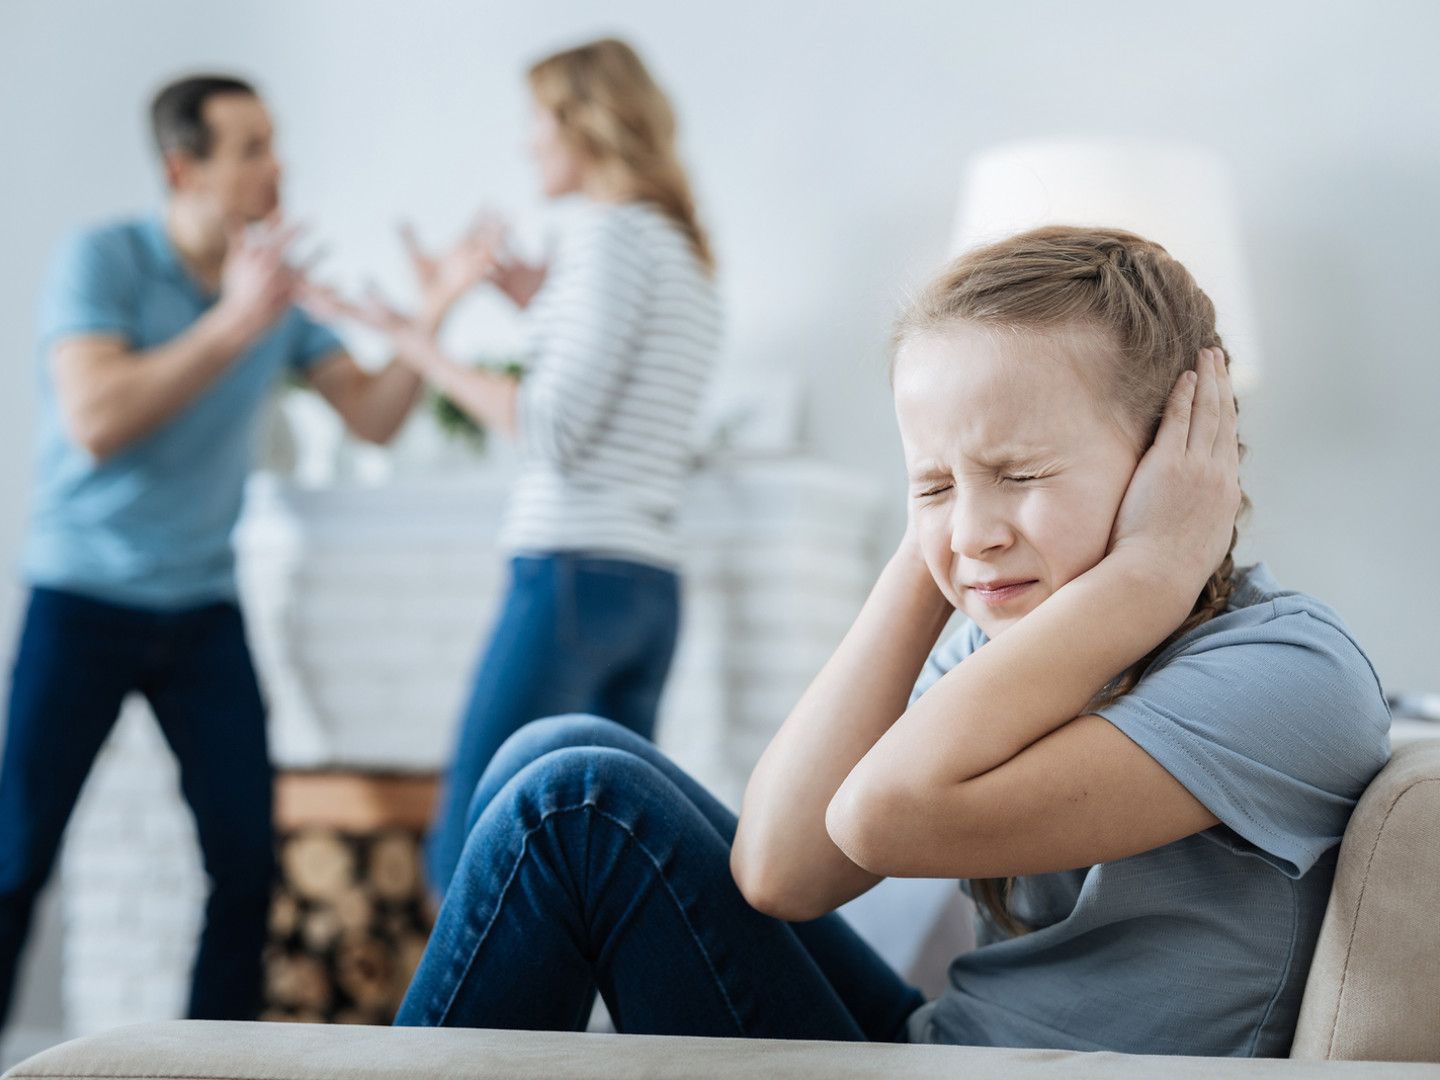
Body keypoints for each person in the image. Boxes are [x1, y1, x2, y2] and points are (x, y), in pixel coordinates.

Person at [390, 226, 1391, 1056]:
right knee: (555, 752)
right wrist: (933, 551)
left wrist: (1149, 575)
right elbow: (782, 870)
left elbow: (878, 817)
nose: (974, 530)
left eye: (1021, 473)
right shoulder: (1003, 651)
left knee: (576, 806)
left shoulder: (1288, 677)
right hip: (933, 1050)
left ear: (1177, 457)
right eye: (934, 484)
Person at [0, 73, 434, 1030]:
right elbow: (96, 418)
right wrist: (239, 319)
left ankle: (208, 1058)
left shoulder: (271, 292)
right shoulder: (105, 260)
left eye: (276, 144)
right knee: (15, 855)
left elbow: (372, 416)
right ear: (182, 167)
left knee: (247, 862)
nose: (276, 168)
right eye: (251, 149)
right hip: (84, 598)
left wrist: (430, 319)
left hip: (202, 609)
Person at [324, 38, 722, 894]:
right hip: (647, 588)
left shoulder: (607, 236)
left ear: (583, 124)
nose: (526, 142)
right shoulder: (678, 250)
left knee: (468, 846)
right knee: (599, 869)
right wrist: (540, 302)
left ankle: (463, 1035)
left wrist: (416, 344)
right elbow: (624, 393)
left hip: (571, 574)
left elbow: (550, 427)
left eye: (536, 120)